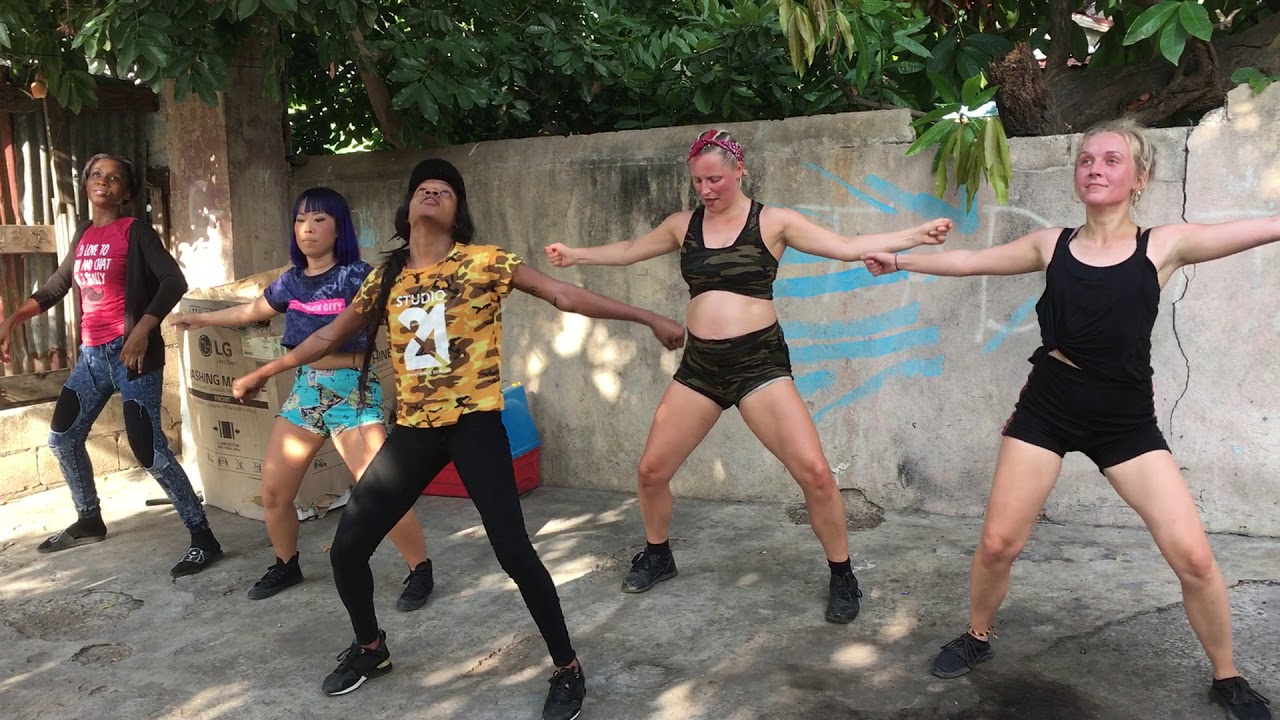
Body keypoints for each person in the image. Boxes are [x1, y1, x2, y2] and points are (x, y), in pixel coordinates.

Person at [230, 158, 684, 718]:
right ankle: (371, 648)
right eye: (423, 187)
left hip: (474, 424)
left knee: (513, 551)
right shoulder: (386, 277)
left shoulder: (486, 262)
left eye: (444, 190)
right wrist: (264, 372)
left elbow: (564, 295)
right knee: (347, 548)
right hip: (414, 430)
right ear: (407, 207)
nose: (432, 193)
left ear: (458, 212)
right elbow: (328, 336)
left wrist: (648, 318)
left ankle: (567, 668)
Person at [862, 119, 1274, 720]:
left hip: (1124, 421)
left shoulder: (1164, 245)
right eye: (1086, 160)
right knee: (999, 543)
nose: (1095, 168)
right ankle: (977, 635)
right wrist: (900, 261)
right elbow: (973, 260)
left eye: (1111, 160)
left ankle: (1227, 676)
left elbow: (1258, 228)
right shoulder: (1049, 244)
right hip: (1049, 407)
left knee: (1194, 557)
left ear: (1139, 178)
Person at [545, 128, 953, 623]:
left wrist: (914, 236)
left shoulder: (773, 221)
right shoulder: (682, 225)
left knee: (815, 474)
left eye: (715, 179)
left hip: (759, 363)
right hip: (701, 366)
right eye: (698, 181)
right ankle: (658, 554)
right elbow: (631, 248)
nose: (706, 190)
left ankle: (843, 574)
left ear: (740, 170)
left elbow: (846, 246)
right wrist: (576, 255)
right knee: (652, 471)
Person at [169, 187, 434, 609]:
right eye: (301, 220)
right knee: (274, 492)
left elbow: (393, 329)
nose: (307, 228)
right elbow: (251, 311)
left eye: (319, 220)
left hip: (352, 392)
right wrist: (198, 319)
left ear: (339, 228)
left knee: (382, 492)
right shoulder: (292, 280)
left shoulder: (358, 276)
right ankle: (286, 563)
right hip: (306, 390)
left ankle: (420, 570)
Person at [0, 153, 221, 576]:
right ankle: (88, 520)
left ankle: (203, 537)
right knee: (63, 438)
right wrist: (14, 318)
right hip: (92, 357)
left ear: (127, 193)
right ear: (86, 184)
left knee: (148, 448)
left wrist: (142, 330)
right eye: (97, 175)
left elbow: (174, 280)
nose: (104, 181)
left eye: (115, 178)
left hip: (132, 355)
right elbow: (58, 285)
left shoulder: (135, 232)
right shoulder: (84, 234)